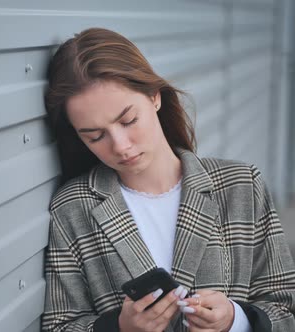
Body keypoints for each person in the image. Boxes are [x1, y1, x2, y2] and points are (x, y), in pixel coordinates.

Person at [40, 27, 295, 332]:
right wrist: (119, 328)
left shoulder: (241, 185)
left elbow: (285, 307)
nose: (120, 146)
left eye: (128, 120)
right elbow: (59, 325)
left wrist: (235, 319)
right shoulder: (73, 208)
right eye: (95, 136)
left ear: (154, 96)